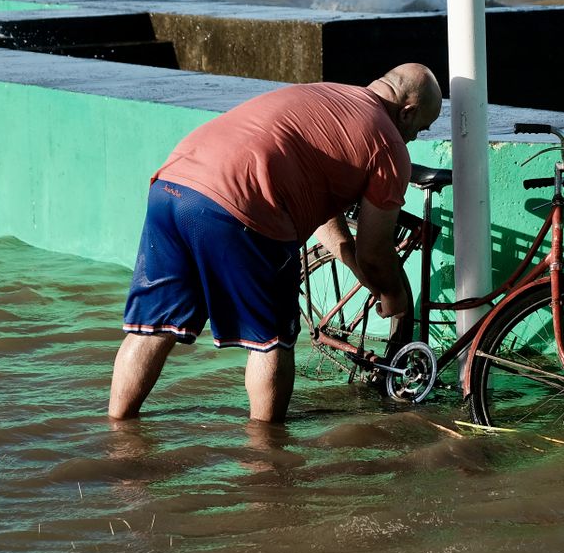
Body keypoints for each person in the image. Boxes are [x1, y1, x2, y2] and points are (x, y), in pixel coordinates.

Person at [108, 63, 443, 423]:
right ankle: (267, 460)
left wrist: (348, 258)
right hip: (241, 204)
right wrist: (393, 293)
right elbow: (375, 251)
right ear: (407, 112)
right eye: (419, 129)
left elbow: (313, 196)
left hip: (172, 185)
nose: (414, 139)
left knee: (151, 329)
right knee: (271, 341)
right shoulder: (388, 144)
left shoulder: (324, 93)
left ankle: (118, 436)